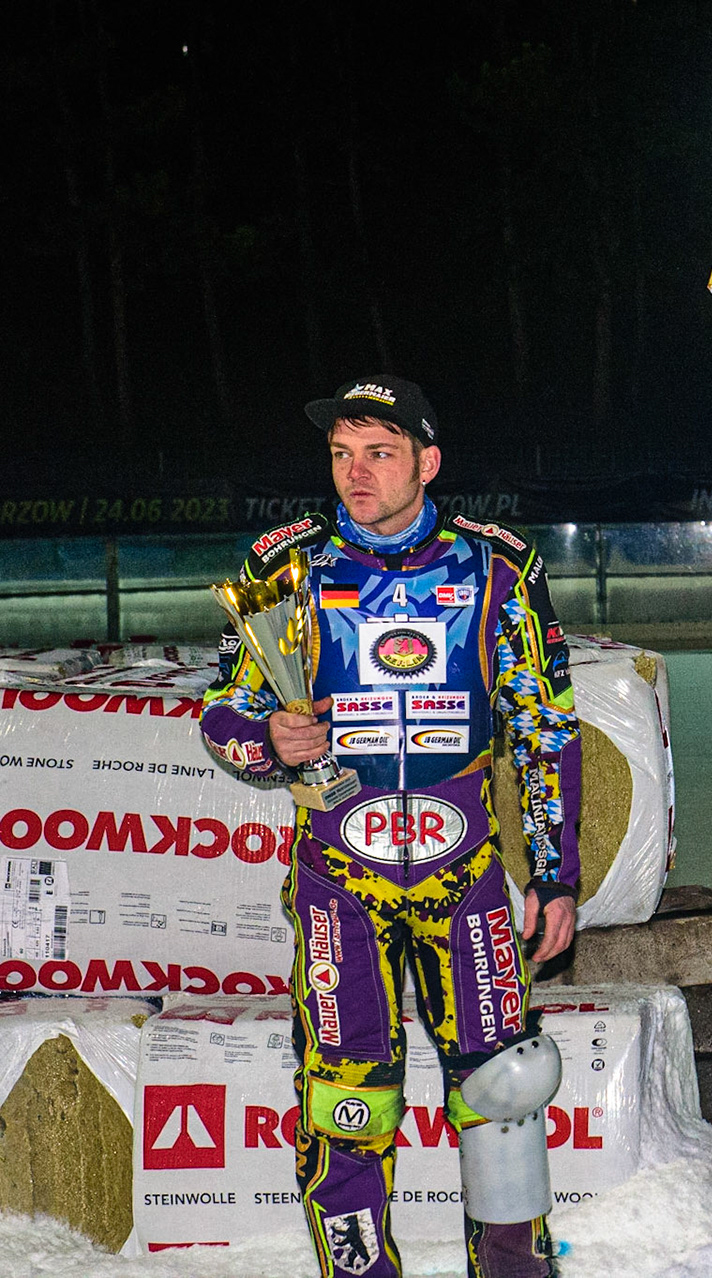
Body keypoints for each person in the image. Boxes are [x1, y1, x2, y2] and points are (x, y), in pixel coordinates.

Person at [201, 377, 579, 1278]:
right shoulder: (284, 569)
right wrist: (268, 738)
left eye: (378, 452)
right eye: (341, 454)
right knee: (347, 1101)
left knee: (501, 1090)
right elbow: (220, 714)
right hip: (341, 878)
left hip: (465, 871)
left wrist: (557, 875)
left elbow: (544, 728)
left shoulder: (497, 567)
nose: (355, 473)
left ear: (427, 461)